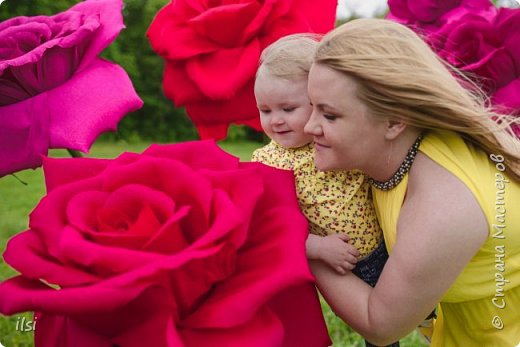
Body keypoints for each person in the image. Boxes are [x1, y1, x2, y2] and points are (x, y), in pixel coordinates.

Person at [304, 18, 520, 346]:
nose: (309, 126)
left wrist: (301, 247)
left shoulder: (444, 206)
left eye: (329, 115)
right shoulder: (396, 146)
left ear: (394, 121)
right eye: (311, 107)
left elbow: (380, 324)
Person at [251, 34, 400, 347]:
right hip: (330, 265)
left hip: (383, 247)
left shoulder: (338, 140)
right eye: (265, 110)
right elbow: (266, 227)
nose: (276, 121)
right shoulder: (265, 162)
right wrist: (315, 247)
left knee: (407, 310)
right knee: (370, 328)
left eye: (288, 108)